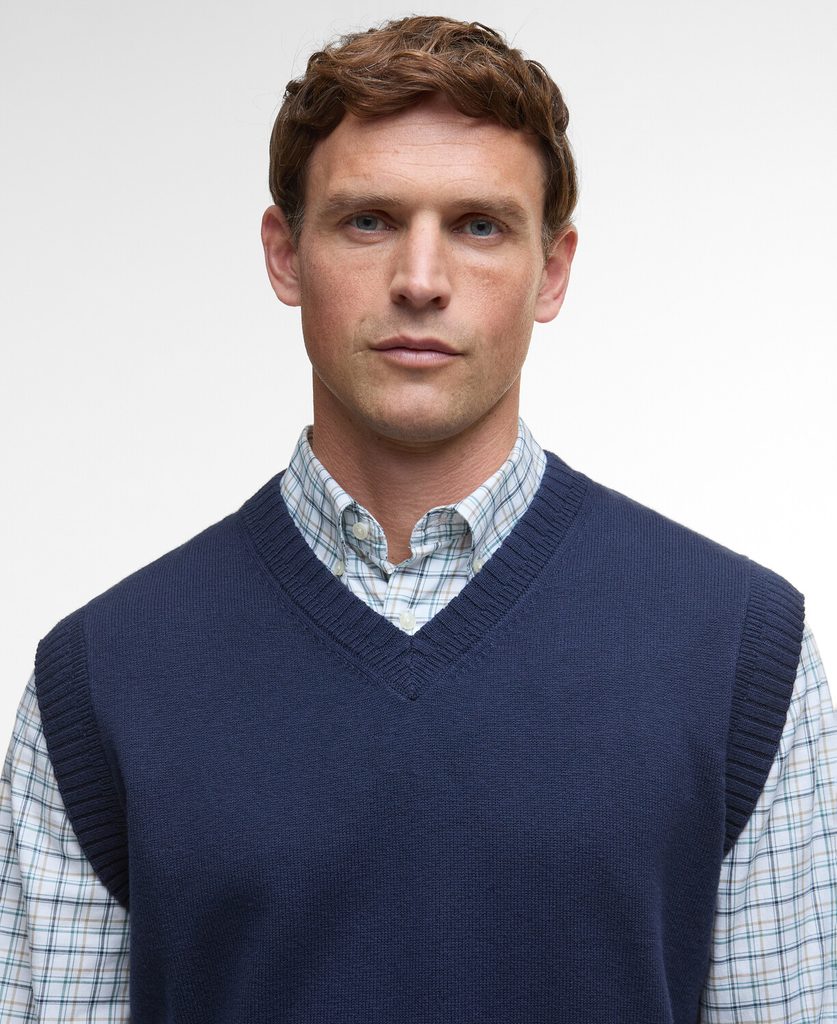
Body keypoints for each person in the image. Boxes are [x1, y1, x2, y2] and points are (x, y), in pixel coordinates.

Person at [1, 14, 834, 1022]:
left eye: (479, 226)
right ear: (285, 255)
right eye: (369, 221)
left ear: (552, 271)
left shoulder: (741, 655)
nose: (421, 281)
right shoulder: (102, 679)